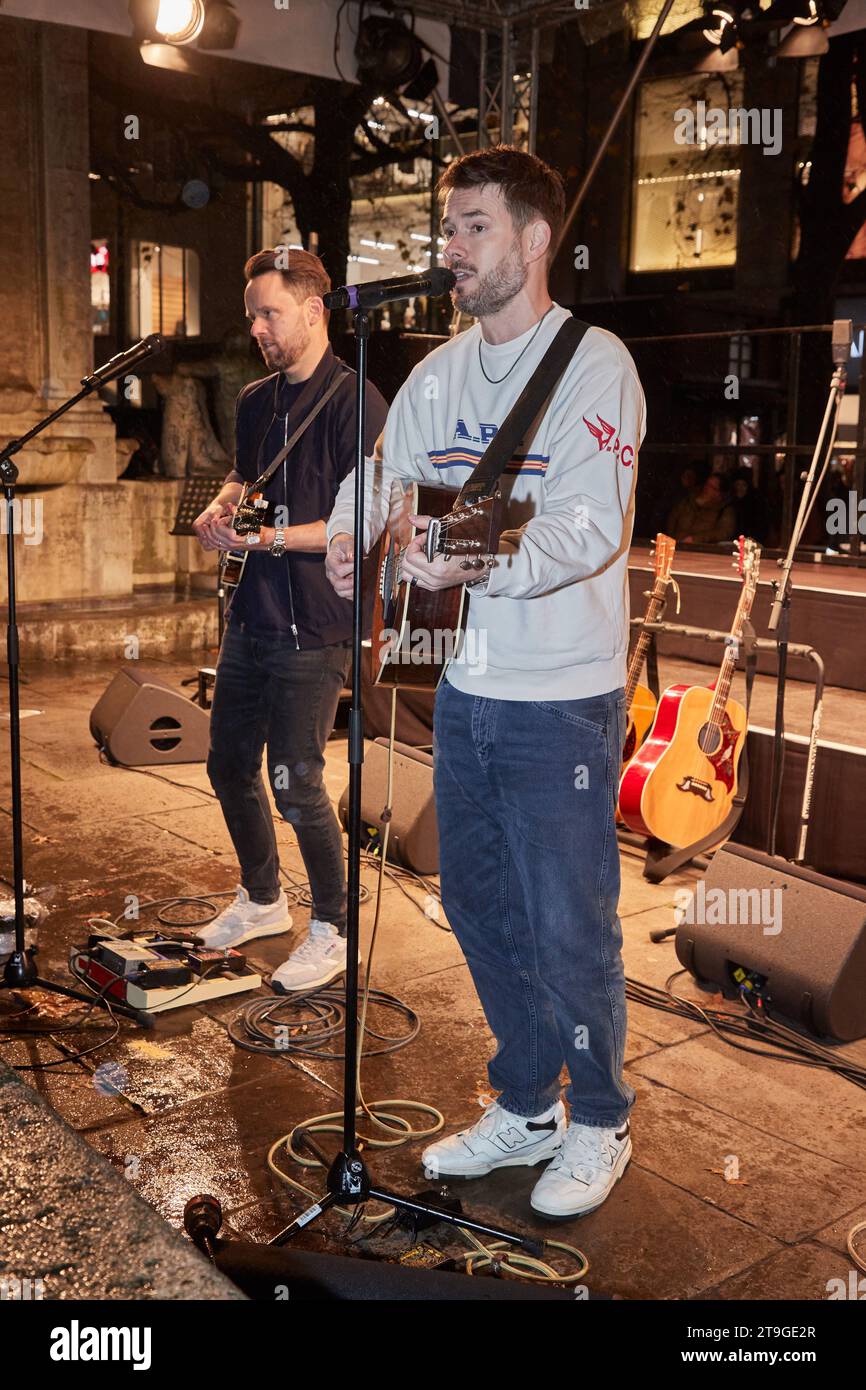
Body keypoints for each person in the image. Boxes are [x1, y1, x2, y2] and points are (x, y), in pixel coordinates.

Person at [325, 145, 645, 1220]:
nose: (447, 248)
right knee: (473, 898)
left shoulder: (593, 364)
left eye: (470, 227)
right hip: (465, 685)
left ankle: (599, 1116)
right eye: (445, 229)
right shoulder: (438, 371)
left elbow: (590, 523)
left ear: (532, 238)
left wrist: (485, 558)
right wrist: (345, 532)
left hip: (561, 693)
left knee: (571, 920)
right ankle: (524, 1099)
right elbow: (379, 473)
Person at [192, 248, 388, 991]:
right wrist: (221, 505)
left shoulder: (358, 401)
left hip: (317, 622)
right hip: (252, 614)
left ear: (313, 310)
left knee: (299, 779)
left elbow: (358, 519)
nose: (257, 328)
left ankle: (334, 928)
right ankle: (263, 898)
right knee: (227, 764)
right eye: (252, 316)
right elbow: (248, 476)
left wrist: (266, 537)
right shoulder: (254, 401)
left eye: (268, 313)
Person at [666, 467, 736, 544]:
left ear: (719, 493)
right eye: (707, 484)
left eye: (712, 487)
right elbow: (672, 520)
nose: (706, 488)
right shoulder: (688, 501)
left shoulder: (724, 510)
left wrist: (696, 539)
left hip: (701, 550)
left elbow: (723, 532)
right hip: (677, 546)